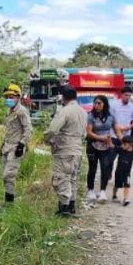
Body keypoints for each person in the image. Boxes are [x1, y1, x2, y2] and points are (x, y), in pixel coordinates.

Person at [45, 86, 88, 217]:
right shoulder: (83, 112)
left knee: (62, 178)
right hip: (77, 150)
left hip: (65, 150)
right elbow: (84, 133)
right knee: (72, 179)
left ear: (63, 97)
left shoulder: (65, 111)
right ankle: (71, 206)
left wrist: (49, 140)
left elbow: (53, 129)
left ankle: (64, 208)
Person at [0, 83, 31, 204]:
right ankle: (8, 200)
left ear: (18, 97)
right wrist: (2, 145)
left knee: (9, 175)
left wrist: (22, 145)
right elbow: (9, 131)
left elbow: (28, 130)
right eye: (7, 97)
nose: (9, 99)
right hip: (7, 147)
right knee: (4, 175)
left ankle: (10, 202)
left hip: (16, 147)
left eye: (12, 97)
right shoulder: (10, 111)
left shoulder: (22, 111)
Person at [85, 97, 117, 203]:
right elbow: (89, 132)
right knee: (92, 168)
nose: (96, 105)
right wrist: (101, 138)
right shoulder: (91, 115)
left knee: (105, 167)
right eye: (95, 103)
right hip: (93, 145)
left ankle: (103, 191)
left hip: (106, 146)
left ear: (104, 104)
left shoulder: (110, 115)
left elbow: (117, 129)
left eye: (99, 103)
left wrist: (124, 141)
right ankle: (90, 190)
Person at [113, 136, 133, 206]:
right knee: (117, 184)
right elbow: (112, 146)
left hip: (127, 172)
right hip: (119, 171)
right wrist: (109, 140)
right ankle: (114, 194)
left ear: (130, 144)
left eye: (125, 144)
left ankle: (125, 198)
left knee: (127, 185)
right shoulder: (121, 150)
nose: (122, 145)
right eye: (122, 144)